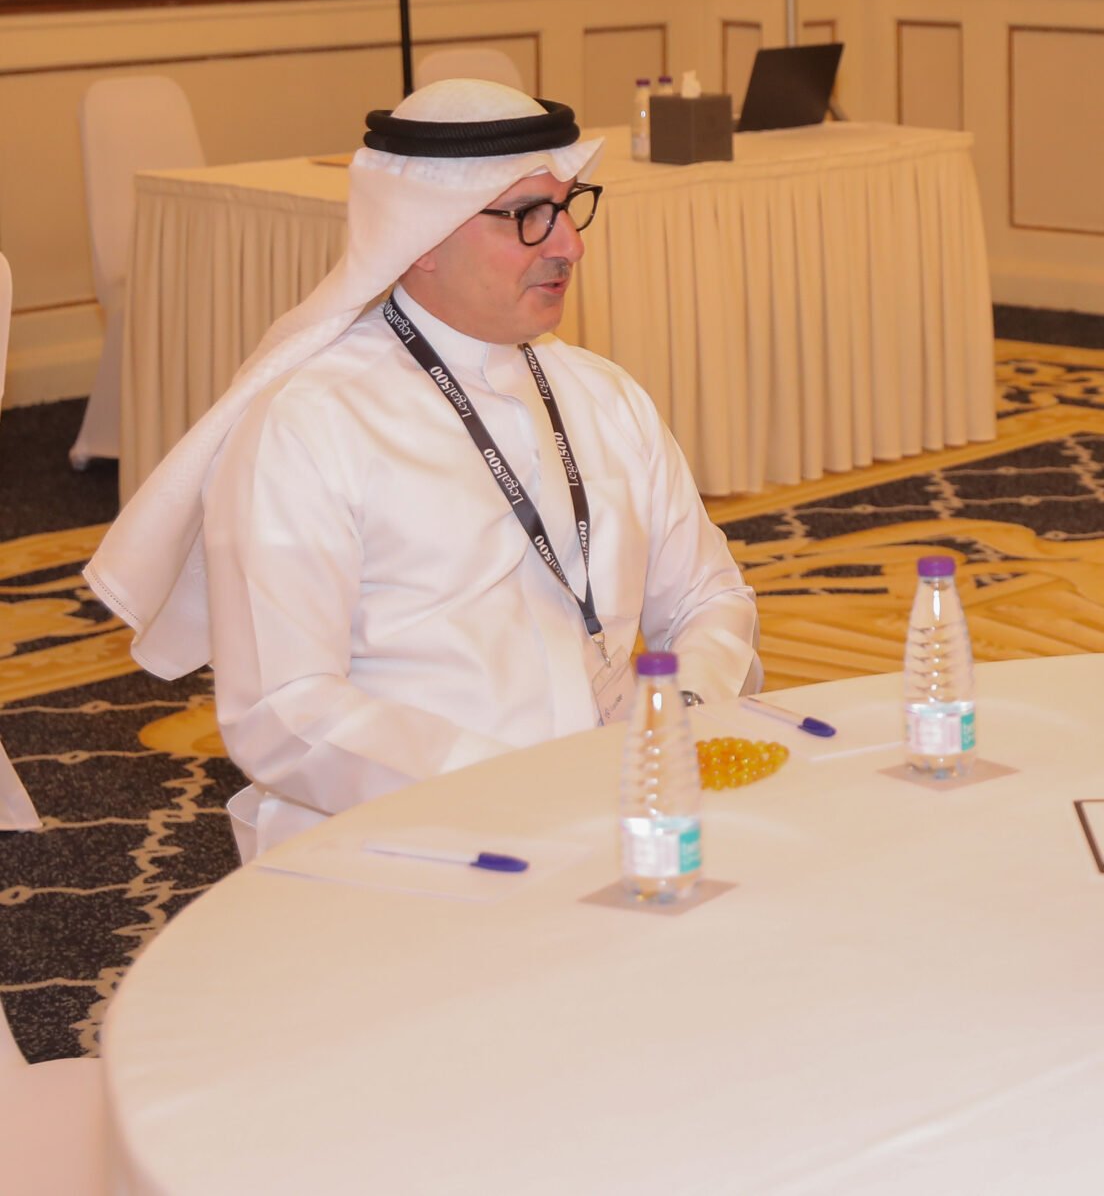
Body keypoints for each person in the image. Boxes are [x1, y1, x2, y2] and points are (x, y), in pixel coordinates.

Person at [86, 80, 760, 858]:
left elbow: (710, 597)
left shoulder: (604, 396)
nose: (569, 245)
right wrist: (509, 786)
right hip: (401, 844)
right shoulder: (312, 425)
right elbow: (284, 710)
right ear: (423, 237)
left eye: (568, 208)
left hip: (620, 804)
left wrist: (681, 714)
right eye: (529, 217)